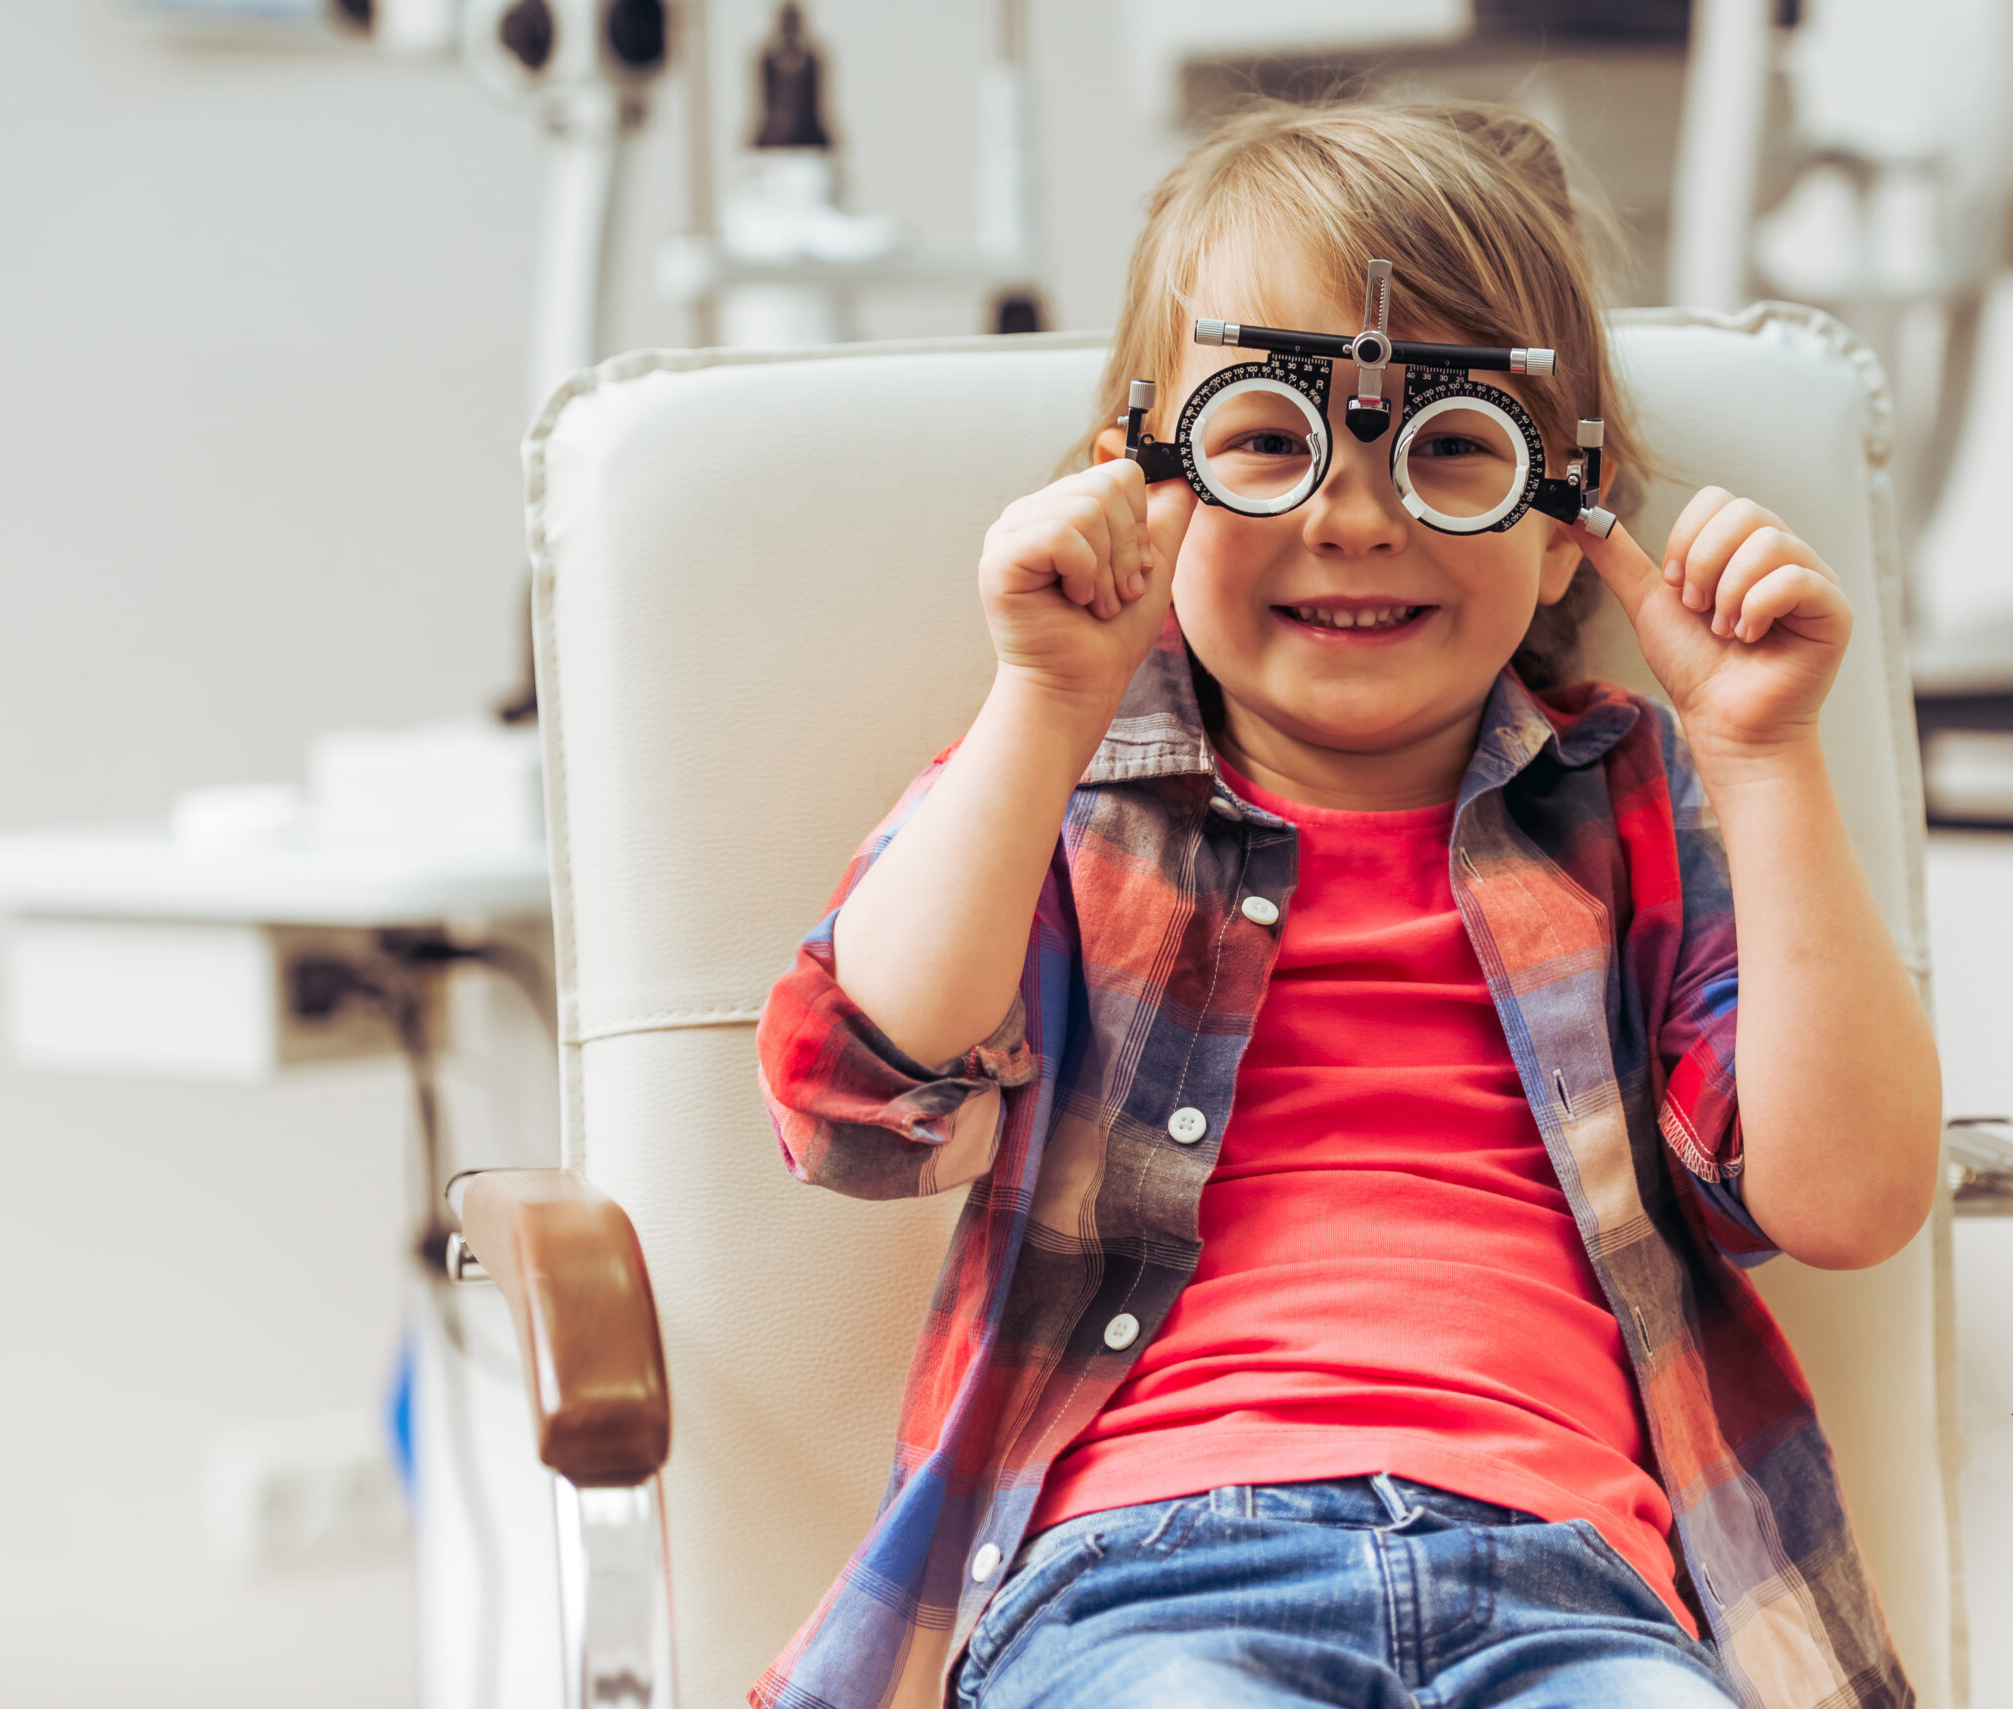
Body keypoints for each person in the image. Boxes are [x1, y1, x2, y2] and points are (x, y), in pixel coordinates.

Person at [751, 101, 1941, 1709]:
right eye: (1266, 435)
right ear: (1140, 482)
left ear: (1570, 522)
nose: (1359, 515)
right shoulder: (1068, 784)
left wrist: (1769, 757)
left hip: (1575, 1580)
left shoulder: (1632, 799)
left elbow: (1849, 1199)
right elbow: (852, 1096)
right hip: (1143, 1576)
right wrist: (1043, 696)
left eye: (1456, 444)